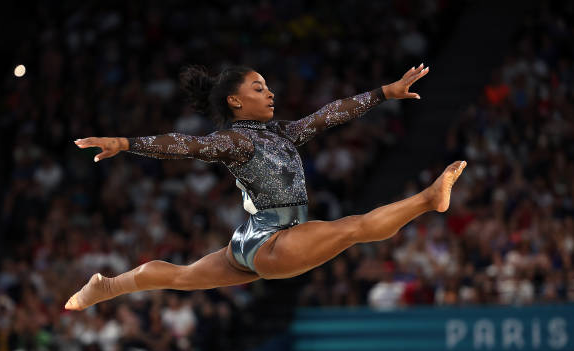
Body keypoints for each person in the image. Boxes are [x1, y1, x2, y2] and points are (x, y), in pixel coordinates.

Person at [65, 63, 467, 311]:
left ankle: (107, 286)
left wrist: (383, 93)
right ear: (235, 102)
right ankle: (428, 199)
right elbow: (188, 144)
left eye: (267, 86)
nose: (269, 92)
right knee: (352, 228)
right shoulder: (234, 140)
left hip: (252, 240)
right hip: (272, 240)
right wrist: (127, 143)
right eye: (258, 88)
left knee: (182, 275)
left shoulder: (281, 132)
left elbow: (328, 115)